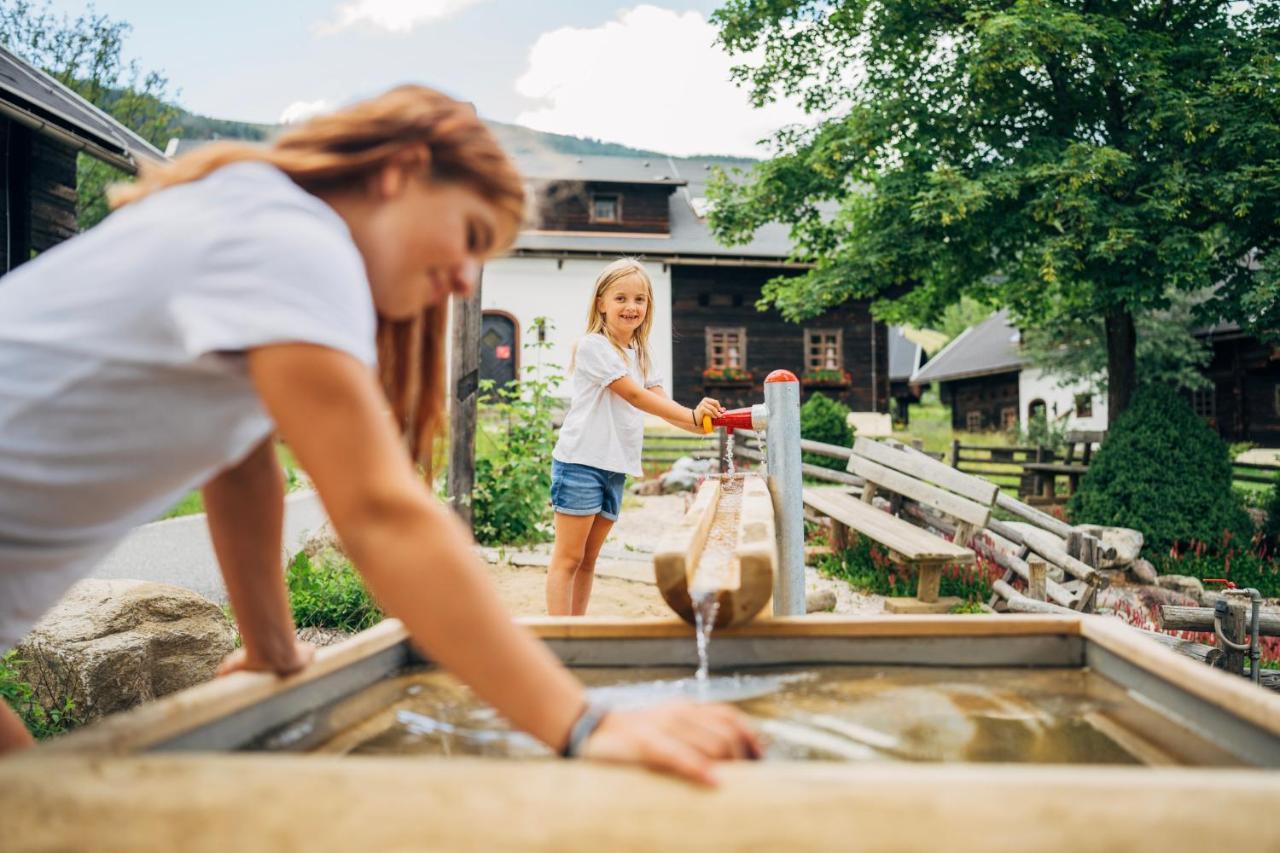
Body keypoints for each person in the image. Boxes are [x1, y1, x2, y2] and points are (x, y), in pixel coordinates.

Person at [0, 86, 759, 782]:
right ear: (403, 170)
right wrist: (584, 721)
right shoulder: (293, 238)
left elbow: (241, 465)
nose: (466, 280)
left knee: (38, 800)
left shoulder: (257, 221)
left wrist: (271, 647)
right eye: (468, 235)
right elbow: (380, 512)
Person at [546, 259, 724, 616]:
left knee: (589, 560)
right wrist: (691, 415)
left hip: (614, 466)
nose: (631, 307)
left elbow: (659, 402)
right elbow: (636, 396)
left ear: (648, 306)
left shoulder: (641, 353)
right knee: (568, 558)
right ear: (601, 303)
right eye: (621, 298)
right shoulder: (593, 347)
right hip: (580, 462)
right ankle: (557, 637)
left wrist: (701, 420)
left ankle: (578, 629)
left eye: (639, 300)